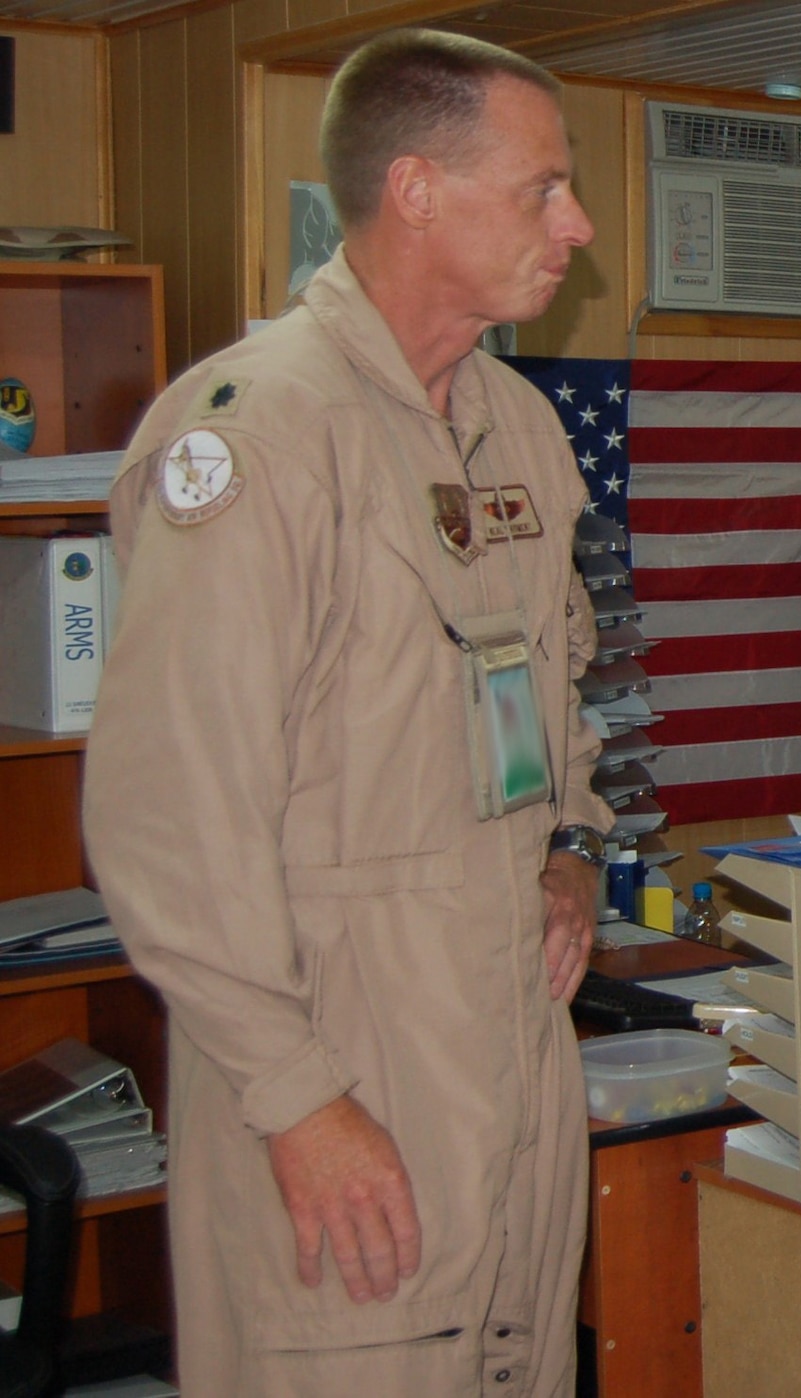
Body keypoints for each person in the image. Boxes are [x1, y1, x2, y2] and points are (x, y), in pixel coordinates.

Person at [80, 30, 610, 1397]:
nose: (580, 225)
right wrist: (295, 1096)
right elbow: (167, 816)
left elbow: (558, 703)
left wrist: (572, 848)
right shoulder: (257, 433)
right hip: (340, 1059)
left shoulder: (520, 430)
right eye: (543, 189)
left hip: (511, 1040)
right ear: (417, 189)